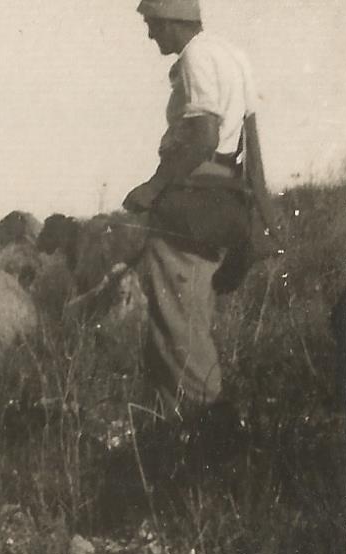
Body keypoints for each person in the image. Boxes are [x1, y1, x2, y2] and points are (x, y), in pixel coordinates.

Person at [123, 0, 277, 470]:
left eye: (152, 24)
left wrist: (153, 187)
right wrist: (265, 216)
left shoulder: (195, 56)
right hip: (222, 204)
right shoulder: (232, 55)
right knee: (187, 323)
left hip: (189, 206)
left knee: (180, 333)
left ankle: (217, 454)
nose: (151, 35)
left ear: (173, 19)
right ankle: (183, 444)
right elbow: (250, 143)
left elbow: (205, 136)